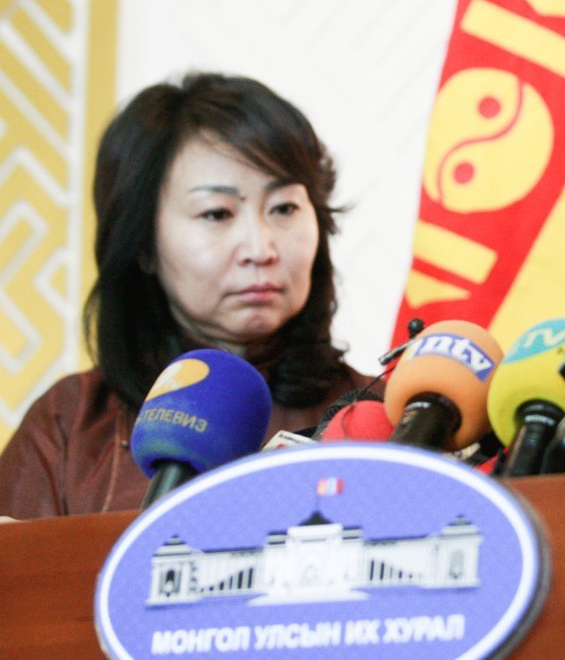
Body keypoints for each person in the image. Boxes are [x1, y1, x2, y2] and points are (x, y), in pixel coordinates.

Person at [0, 72, 371, 519]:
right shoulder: (70, 423)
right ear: (143, 244)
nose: (260, 248)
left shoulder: (383, 414)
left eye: (284, 208)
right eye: (217, 214)